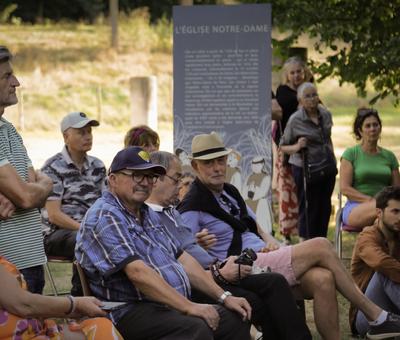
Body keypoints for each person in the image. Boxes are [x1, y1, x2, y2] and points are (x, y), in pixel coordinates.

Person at [178, 130, 400, 340]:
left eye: (221, 160)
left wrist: (273, 244)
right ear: (196, 166)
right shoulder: (192, 204)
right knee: (322, 245)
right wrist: (200, 244)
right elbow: (186, 250)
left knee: (323, 279)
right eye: (209, 163)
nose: (217, 167)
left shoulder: (228, 191)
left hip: (264, 255)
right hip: (241, 265)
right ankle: (375, 315)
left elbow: (256, 226)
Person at [75, 146, 252, 340]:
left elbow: (183, 258)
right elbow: (137, 273)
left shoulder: (146, 212)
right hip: (128, 310)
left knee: (235, 316)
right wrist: (189, 307)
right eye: (136, 175)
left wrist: (224, 297)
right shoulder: (105, 216)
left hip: (165, 304)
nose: (145, 183)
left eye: (150, 176)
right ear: (113, 179)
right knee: (196, 328)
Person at [147, 150, 312, 340]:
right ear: (155, 179)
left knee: (275, 281)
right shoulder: (158, 215)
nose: (180, 186)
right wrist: (219, 274)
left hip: (218, 268)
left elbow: (188, 249)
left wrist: (207, 251)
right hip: (203, 279)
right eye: (176, 179)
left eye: (221, 161)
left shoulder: (172, 211)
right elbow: (177, 263)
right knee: (258, 299)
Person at [0, 45, 53, 293]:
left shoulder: (9, 129)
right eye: (6, 76)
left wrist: (41, 187)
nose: (16, 82)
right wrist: (27, 193)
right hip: (7, 268)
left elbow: (33, 186)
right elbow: (26, 195)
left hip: (31, 261)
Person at [41, 111, 106, 296]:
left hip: (90, 229)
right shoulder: (52, 167)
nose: (88, 137)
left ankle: (110, 294)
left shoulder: (98, 166)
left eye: (89, 132)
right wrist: (86, 229)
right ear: (65, 136)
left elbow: (106, 203)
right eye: (81, 132)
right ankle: (81, 296)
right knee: (86, 239)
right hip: (56, 234)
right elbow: (54, 215)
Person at [0, 255, 122, 339]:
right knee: (102, 329)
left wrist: (71, 309)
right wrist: (76, 305)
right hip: (24, 335)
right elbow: (23, 305)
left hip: (33, 330)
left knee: (100, 326)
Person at [280, 82, 337, 239]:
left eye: (314, 95)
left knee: (324, 206)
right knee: (308, 207)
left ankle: (321, 241)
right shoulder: (295, 120)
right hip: (305, 168)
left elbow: (327, 139)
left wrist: (332, 159)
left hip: (327, 167)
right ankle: (306, 242)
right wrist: (297, 146)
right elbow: (283, 146)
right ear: (300, 100)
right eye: (307, 96)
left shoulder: (325, 114)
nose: (312, 99)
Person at [350, 186, 400, 338]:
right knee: (383, 271)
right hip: (367, 316)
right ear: (379, 213)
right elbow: (381, 263)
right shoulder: (367, 237)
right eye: (395, 212)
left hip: (393, 309)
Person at [340, 108, 400, 229]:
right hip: (356, 207)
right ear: (360, 131)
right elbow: (345, 188)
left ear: (380, 128)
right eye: (367, 126)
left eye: (375, 125)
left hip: (387, 207)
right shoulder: (351, 154)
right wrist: (373, 200)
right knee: (386, 211)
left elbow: (397, 189)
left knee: (388, 212)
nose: (372, 129)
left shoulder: (389, 156)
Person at [274, 57, 311, 239]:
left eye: (299, 71)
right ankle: (287, 234)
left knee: (305, 192)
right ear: (287, 75)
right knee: (288, 191)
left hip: (308, 148)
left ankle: (305, 231)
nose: (296, 75)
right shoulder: (283, 91)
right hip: (289, 146)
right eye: (293, 72)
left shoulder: (309, 90)